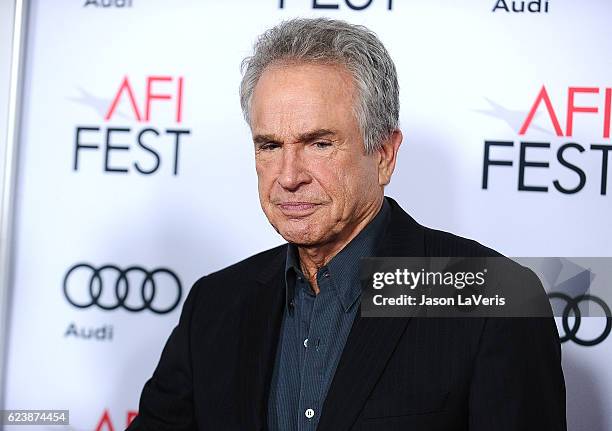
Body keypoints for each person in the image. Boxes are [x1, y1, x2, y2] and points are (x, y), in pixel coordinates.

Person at [127, 18, 566, 431]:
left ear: (384, 155)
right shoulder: (216, 303)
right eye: (269, 145)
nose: (289, 175)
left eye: (319, 143)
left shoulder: (492, 298)